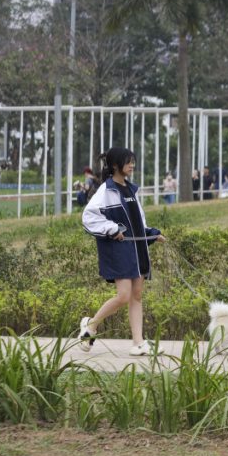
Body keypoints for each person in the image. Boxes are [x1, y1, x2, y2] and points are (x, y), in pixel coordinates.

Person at [79, 147, 165, 357]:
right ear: (116, 166)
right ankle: (91, 325)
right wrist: (112, 229)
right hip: (119, 251)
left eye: (133, 162)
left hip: (137, 251)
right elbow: (89, 217)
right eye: (128, 162)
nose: (132, 166)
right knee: (123, 296)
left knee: (136, 296)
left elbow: (138, 222)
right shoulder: (106, 191)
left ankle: (138, 343)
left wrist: (153, 234)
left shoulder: (131, 190)